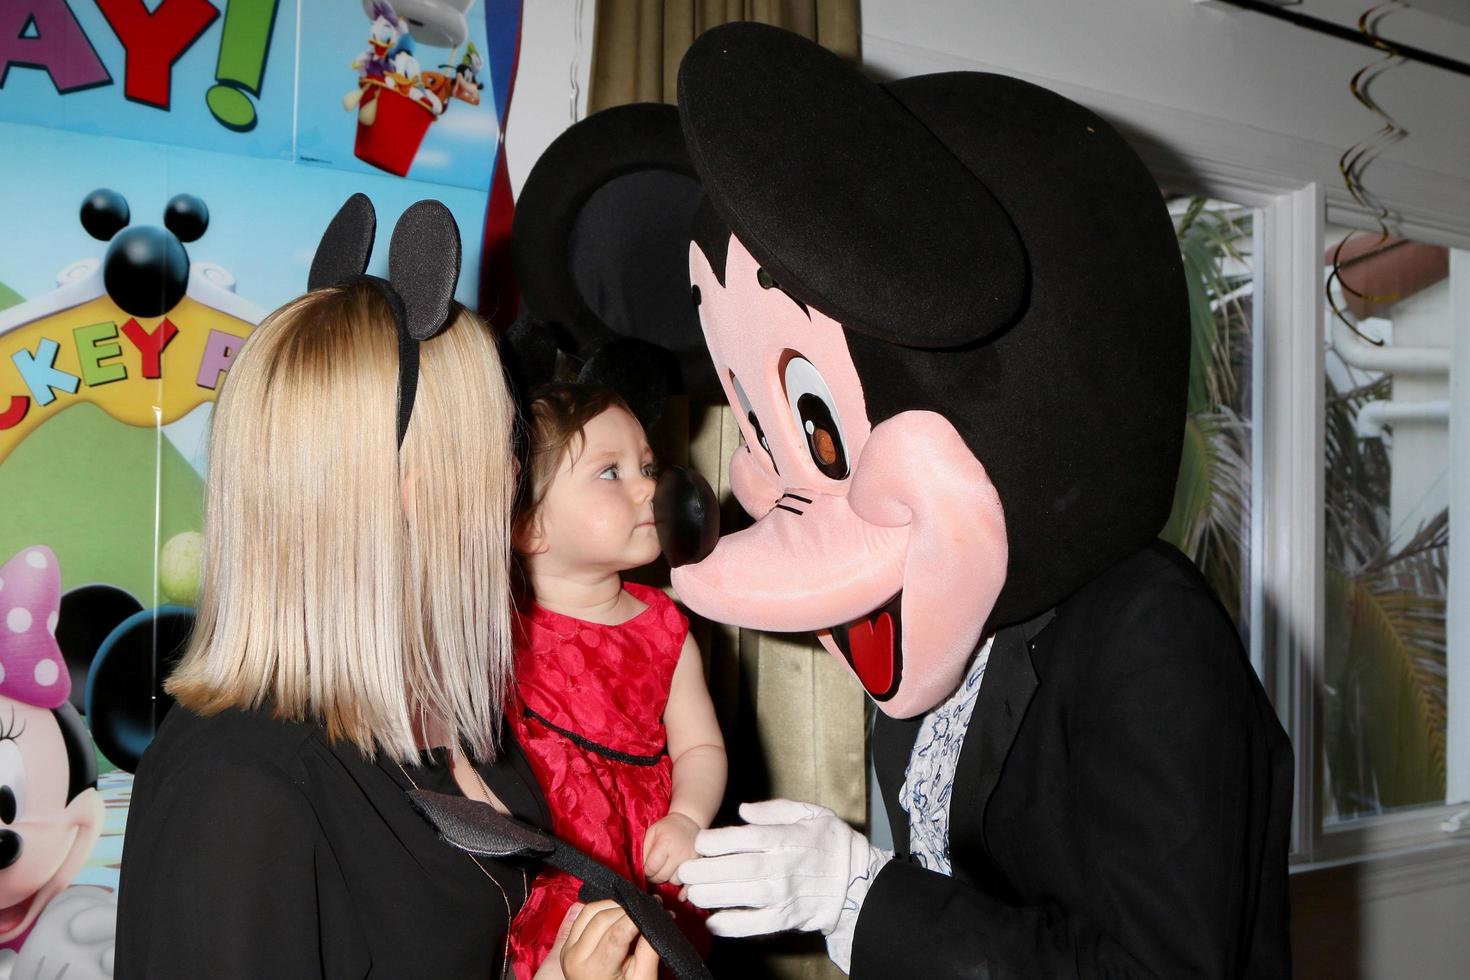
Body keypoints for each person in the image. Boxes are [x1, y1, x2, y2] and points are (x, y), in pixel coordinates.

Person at [114, 207, 657, 980]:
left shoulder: (425, 719)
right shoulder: (239, 796)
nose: (514, 478)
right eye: (503, 444)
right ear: (414, 492)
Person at [506, 383, 727, 978]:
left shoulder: (665, 623)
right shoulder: (496, 631)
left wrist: (688, 818)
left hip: (644, 875)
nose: (649, 487)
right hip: (546, 879)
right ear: (529, 525)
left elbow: (700, 746)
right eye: (611, 472)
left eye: (648, 465)